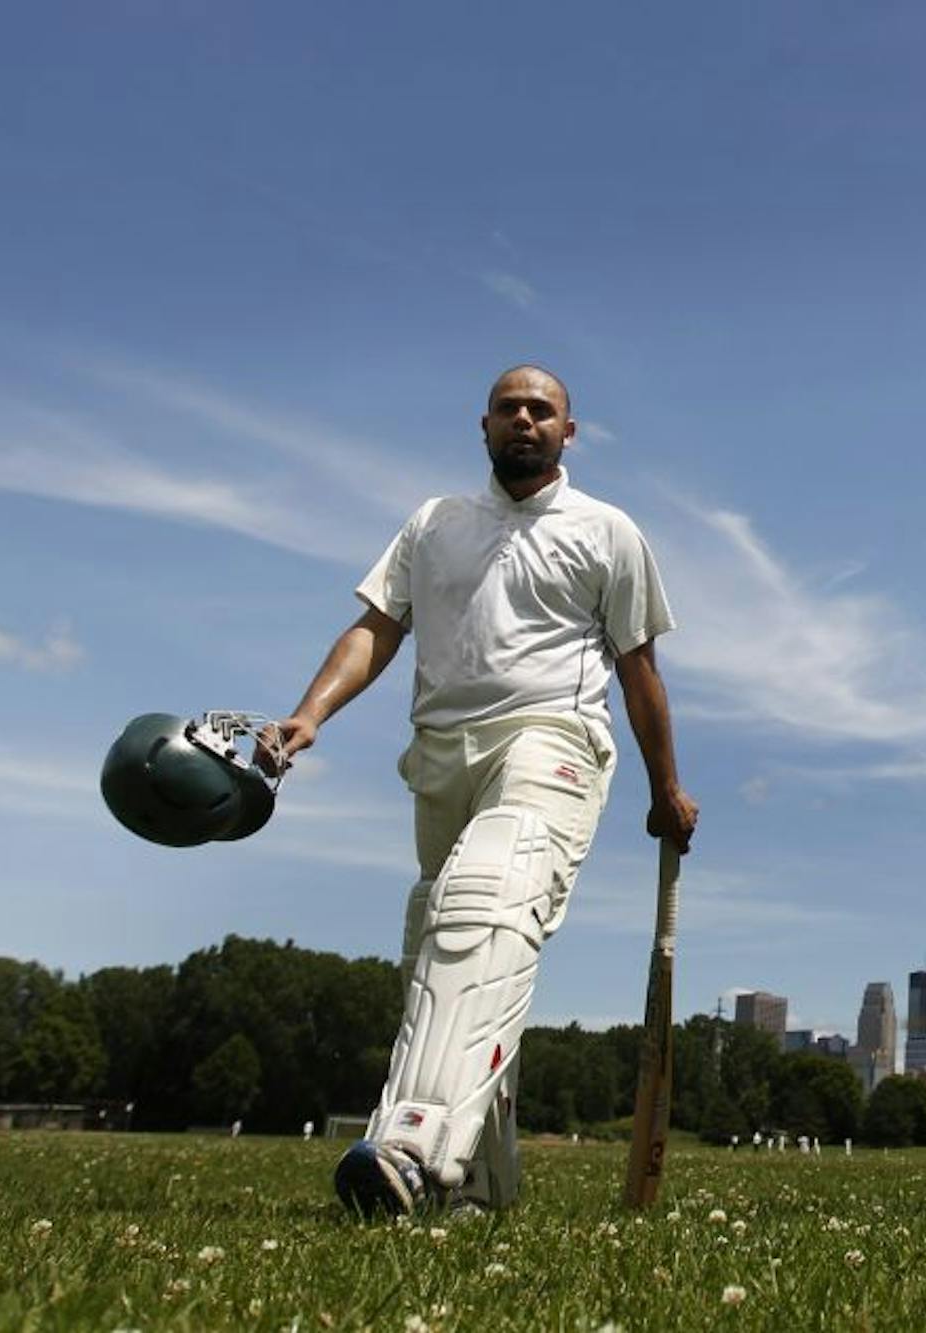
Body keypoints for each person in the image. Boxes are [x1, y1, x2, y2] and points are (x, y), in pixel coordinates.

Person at [266, 364, 697, 1217]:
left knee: (481, 908)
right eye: (510, 409)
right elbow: (376, 629)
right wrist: (309, 714)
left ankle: (411, 1145)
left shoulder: (606, 531)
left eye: (543, 410)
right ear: (484, 426)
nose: (525, 421)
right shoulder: (435, 523)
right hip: (441, 756)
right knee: (444, 954)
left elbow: (639, 670)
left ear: (569, 432)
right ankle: (483, 1192)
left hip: (554, 740)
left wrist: (665, 787)